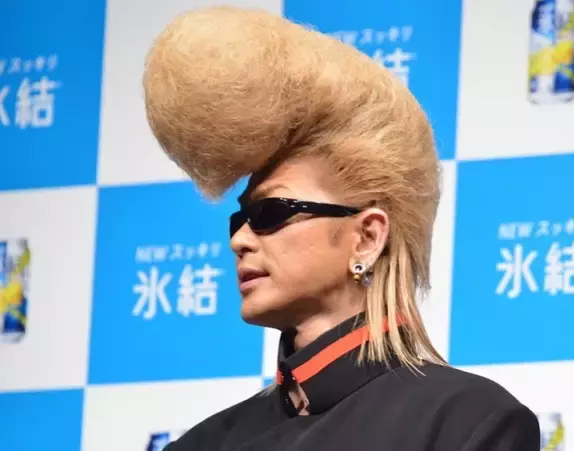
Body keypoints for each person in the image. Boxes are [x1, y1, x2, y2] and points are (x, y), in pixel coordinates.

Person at [142, 6, 540, 450]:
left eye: (271, 212)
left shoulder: (465, 421)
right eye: (240, 220)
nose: (239, 240)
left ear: (367, 237)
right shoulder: (202, 444)